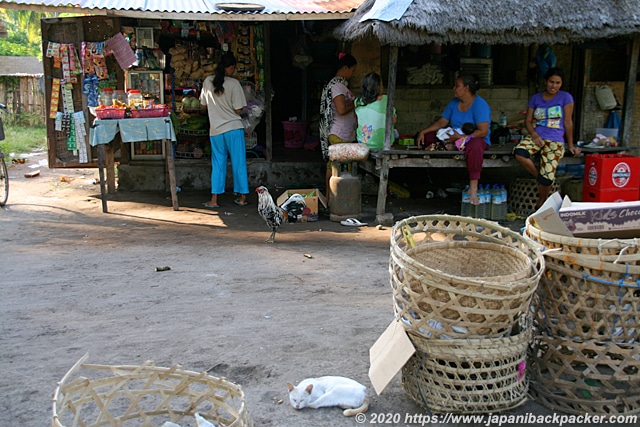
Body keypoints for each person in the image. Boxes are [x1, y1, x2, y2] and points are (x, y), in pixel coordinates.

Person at [416, 74, 491, 205]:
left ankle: (473, 187)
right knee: (428, 137)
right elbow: (442, 123)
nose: (454, 88)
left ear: (466, 88)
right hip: (454, 137)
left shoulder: (480, 104)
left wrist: (462, 138)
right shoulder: (453, 103)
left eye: (457, 85)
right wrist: (423, 131)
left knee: (475, 147)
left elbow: (483, 131)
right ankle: (436, 178)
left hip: (473, 138)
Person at [514, 67, 580, 210]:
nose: (554, 86)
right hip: (537, 136)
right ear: (546, 81)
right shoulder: (536, 98)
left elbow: (568, 122)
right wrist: (535, 135)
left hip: (555, 140)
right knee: (520, 152)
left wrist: (571, 145)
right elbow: (528, 121)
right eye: (551, 82)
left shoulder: (566, 98)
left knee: (548, 177)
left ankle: (542, 200)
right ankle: (539, 178)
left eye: (557, 83)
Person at [199, 53, 249, 208]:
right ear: (230, 67)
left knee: (218, 164)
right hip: (234, 128)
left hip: (216, 130)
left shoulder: (208, 81)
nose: (233, 70)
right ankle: (242, 198)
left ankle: (214, 200)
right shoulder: (234, 84)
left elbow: (203, 106)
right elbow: (239, 109)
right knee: (238, 162)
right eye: (233, 67)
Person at [319, 53, 357, 204]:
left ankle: (332, 199)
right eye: (352, 70)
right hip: (338, 133)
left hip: (343, 134)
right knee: (335, 168)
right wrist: (357, 102)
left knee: (334, 166)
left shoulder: (339, 85)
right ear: (345, 68)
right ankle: (331, 199)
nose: (352, 74)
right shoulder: (337, 86)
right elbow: (341, 109)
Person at [354, 72, 397, 150]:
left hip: (363, 144)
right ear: (378, 87)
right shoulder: (386, 100)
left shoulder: (358, 101)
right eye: (381, 84)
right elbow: (393, 120)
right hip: (383, 146)